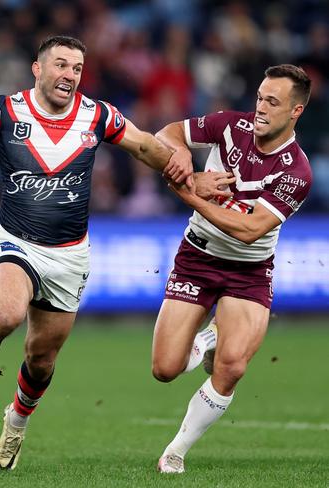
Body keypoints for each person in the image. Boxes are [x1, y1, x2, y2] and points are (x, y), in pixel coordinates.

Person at [0, 35, 226, 471]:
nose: (69, 75)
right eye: (61, 65)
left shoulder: (97, 115)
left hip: (68, 256)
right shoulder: (0, 111)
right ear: (37, 69)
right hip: (13, 239)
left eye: (77, 68)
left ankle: (16, 424)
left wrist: (188, 174)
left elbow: (144, 146)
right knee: (5, 314)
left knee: (41, 359)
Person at [152, 64, 313, 474]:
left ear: (295, 111)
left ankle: (176, 451)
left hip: (248, 271)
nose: (260, 108)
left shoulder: (297, 171)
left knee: (233, 365)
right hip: (197, 258)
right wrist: (185, 157)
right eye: (260, 97)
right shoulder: (228, 125)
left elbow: (248, 230)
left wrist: (191, 193)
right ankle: (207, 338)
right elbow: (166, 133)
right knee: (165, 370)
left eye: (272, 102)